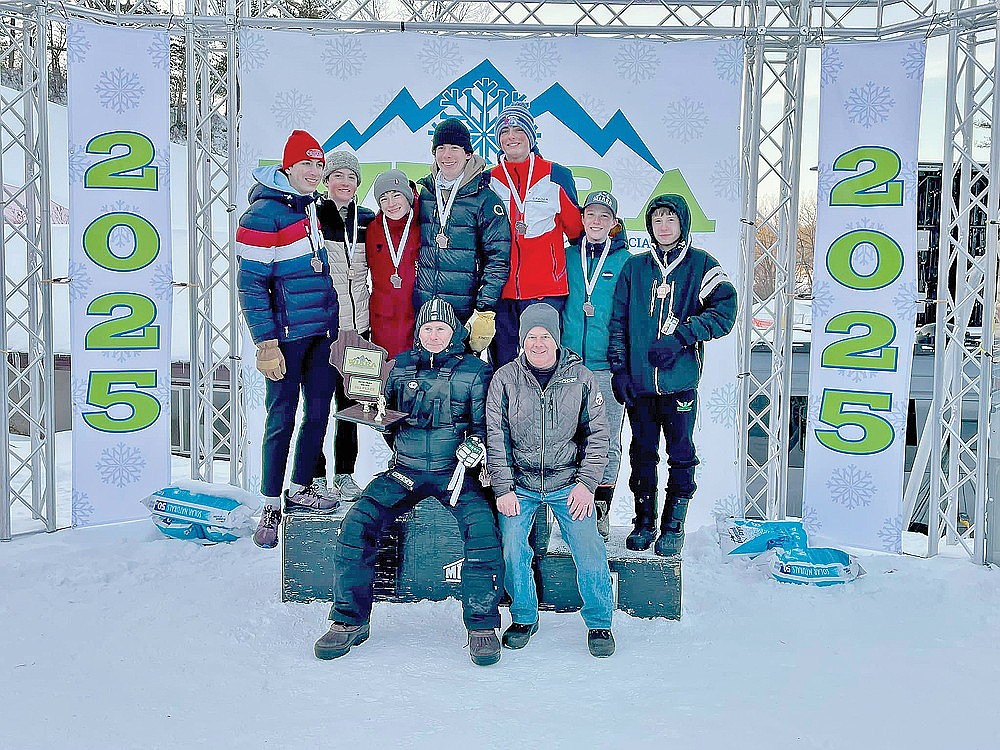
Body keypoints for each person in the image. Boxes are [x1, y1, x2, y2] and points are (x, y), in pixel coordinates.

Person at [316, 298, 505, 666]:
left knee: (482, 532)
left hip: (456, 476)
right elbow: (383, 414)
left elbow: (486, 427)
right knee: (357, 524)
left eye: (442, 329)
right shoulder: (399, 366)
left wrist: (475, 445)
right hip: (406, 471)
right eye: (427, 329)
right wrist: (383, 421)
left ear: (456, 332)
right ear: (418, 332)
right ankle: (348, 620)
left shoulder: (475, 371)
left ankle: (482, 626)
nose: (434, 336)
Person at [608, 194, 737, 556]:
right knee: (642, 453)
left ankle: (673, 525)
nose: (663, 226)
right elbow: (617, 322)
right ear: (649, 227)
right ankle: (644, 521)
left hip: (679, 384)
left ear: (682, 224)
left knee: (680, 453)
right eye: (657, 220)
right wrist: (620, 369)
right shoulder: (634, 268)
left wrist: (682, 337)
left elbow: (725, 312)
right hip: (641, 386)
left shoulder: (701, 265)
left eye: (670, 220)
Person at [486, 304, 615, 658]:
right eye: (531, 336)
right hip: (521, 485)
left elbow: (599, 435)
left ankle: (600, 621)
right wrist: (504, 488)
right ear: (521, 340)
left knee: (588, 548)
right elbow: (495, 437)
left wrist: (587, 484)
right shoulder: (505, 378)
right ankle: (524, 615)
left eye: (545, 336)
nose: (538, 343)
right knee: (513, 547)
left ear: (557, 339)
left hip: (567, 481)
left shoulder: (582, 378)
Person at [236, 129, 341, 550]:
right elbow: (251, 284)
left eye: (319, 165)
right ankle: (270, 504)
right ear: (287, 167)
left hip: (320, 333)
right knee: (280, 419)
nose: (314, 172)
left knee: (317, 414)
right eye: (307, 165)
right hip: (285, 337)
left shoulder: (308, 206)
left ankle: (299, 487)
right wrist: (266, 341)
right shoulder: (264, 213)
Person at [489, 102, 583, 367]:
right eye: (505, 132)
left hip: (545, 290)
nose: (512, 136)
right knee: (504, 367)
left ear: (530, 136)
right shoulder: (490, 179)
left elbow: (577, 231)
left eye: (518, 129)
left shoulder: (556, 175)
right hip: (502, 291)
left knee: (543, 364)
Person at [562, 190, 630, 541]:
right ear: (582, 219)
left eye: (605, 217)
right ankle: (569, 506)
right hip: (569, 363)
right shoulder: (567, 256)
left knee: (605, 439)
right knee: (568, 435)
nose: (597, 222)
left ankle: (600, 508)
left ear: (614, 224)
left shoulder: (626, 262)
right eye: (591, 215)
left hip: (607, 365)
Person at [414, 118, 510, 355]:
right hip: (426, 311)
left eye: (454, 148)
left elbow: (498, 258)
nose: (447, 155)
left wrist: (484, 309)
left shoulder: (485, 199)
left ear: (468, 154)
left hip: (464, 312)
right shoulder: (425, 194)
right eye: (441, 148)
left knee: (461, 384)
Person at [316, 151, 376, 503]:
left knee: (350, 406)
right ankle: (314, 475)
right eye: (337, 176)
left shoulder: (367, 219)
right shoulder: (314, 217)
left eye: (351, 177)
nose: (344, 183)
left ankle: (345, 474)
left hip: (359, 329)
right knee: (318, 408)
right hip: (325, 329)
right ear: (327, 181)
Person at [366, 169, 420, 360]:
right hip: (384, 319)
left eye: (397, 195)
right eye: (384, 198)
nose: (391, 204)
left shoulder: (424, 224)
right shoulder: (372, 229)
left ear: (408, 196)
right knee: (387, 378)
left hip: (417, 316)